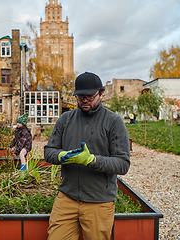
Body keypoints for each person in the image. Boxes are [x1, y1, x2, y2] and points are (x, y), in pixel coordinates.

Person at [44, 72, 130, 240]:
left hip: (99, 201)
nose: (84, 100)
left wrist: (92, 160)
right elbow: (49, 151)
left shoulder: (113, 122)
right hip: (67, 198)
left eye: (90, 96)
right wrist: (62, 155)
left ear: (101, 93)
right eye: (80, 96)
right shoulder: (65, 119)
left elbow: (122, 164)